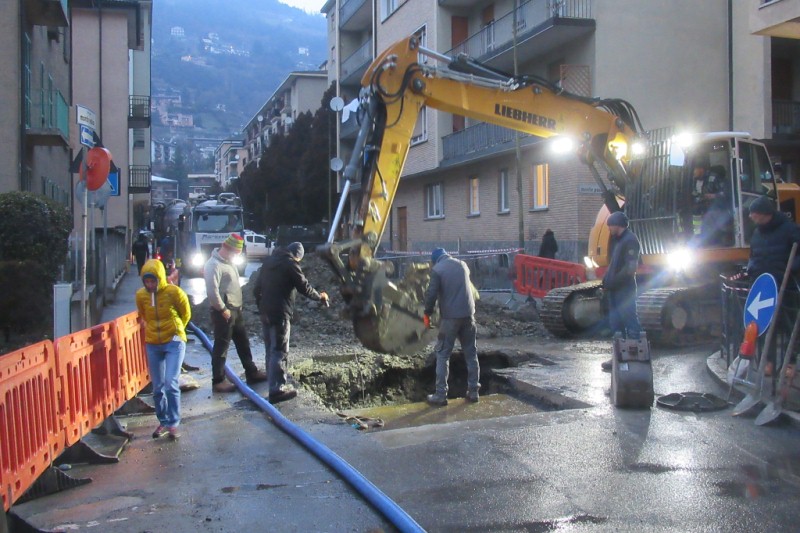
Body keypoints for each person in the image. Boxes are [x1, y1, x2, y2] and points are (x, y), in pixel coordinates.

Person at [254, 242, 328, 403]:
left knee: (269, 349)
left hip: (265, 312)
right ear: (297, 256)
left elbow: (256, 288)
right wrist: (320, 297)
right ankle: (277, 389)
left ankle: (271, 384)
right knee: (279, 351)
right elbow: (304, 287)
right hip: (280, 313)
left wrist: (261, 306)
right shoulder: (290, 265)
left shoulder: (268, 262)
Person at [204, 233, 268, 392]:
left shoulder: (228, 263)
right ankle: (218, 380)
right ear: (228, 249)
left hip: (235, 310)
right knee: (221, 346)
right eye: (236, 254)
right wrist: (222, 309)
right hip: (225, 312)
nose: (236, 257)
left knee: (243, 343)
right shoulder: (213, 265)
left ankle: (251, 372)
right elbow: (212, 292)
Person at [136, 259, 192, 440]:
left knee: (170, 382)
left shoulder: (174, 292)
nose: (150, 285)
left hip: (174, 341)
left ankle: (173, 422)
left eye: (153, 281)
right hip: (153, 343)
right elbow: (143, 314)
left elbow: (186, 313)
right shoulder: (141, 296)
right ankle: (163, 420)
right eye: (147, 281)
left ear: (160, 278)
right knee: (158, 386)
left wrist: (178, 330)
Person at [423, 247, 481, 406]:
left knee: (442, 354)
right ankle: (474, 391)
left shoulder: (437, 270)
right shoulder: (462, 264)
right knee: (471, 353)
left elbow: (432, 294)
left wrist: (426, 313)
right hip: (469, 316)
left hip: (450, 319)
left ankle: (441, 395)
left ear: (435, 260)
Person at [601, 211, 642, 371]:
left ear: (617, 225)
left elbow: (630, 268)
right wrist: (606, 281)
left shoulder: (630, 240)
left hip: (624, 290)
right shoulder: (618, 241)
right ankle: (618, 356)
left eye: (610, 225)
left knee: (630, 321)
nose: (609, 229)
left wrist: (613, 282)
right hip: (614, 289)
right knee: (616, 324)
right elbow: (614, 265)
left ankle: (634, 355)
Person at [746, 195, 800, 280]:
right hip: (760, 284)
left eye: (753, 212)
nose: (750, 216)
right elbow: (752, 255)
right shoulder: (756, 233)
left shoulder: (790, 229)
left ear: (762, 213)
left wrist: (791, 270)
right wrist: (751, 268)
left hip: (785, 286)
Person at [691, 162, 732, 247]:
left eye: (695, 169)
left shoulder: (713, 178)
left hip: (716, 210)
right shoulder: (693, 180)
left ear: (701, 169)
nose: (693, 172)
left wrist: (713, 196)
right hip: (701, 211)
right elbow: (694, 195)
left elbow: (726, 193)